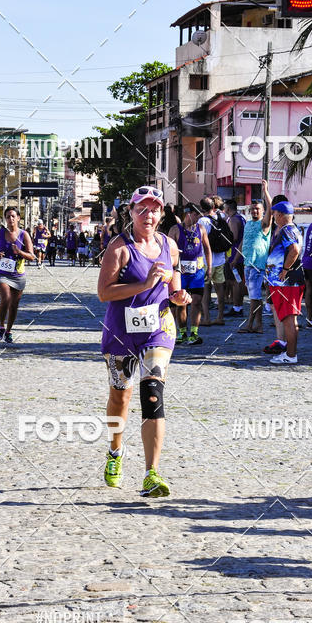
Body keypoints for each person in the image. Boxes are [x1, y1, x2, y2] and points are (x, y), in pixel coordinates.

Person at [98, 185, 191, 497]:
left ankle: (152, 473)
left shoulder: (170, 245)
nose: (148, 215)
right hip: (121, 333)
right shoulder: (119, 248)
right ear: (132, 213)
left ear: (161, 214)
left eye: (154, 209)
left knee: (152, 391)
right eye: (142, 209)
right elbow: (104, 293)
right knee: (120, 397)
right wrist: (143, 284)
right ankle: (115, 452)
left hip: (158, 329)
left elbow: (174, 281)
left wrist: (179, 296)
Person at [265, 201, 305, 365]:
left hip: (286, 283)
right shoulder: (293, 228)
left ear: (280, 215)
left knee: (289, 319)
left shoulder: (287, 230)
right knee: (290, 319)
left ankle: (290, 354)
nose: (273, 216)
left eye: (274, 214)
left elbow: (294, 250)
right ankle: (290, 353)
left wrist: (285, 269)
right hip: (285, 282)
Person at [168, 204, 212, 345]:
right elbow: (167, 252)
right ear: (188, 214)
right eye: (196, 215)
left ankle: (194, 333)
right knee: (182, 303)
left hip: (197, 272)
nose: (198, 218)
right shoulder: (175, 230)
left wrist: (209, 268)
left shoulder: (201, 229)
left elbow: (207, 249)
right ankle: (181, 333)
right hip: (180, 272)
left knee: (197, 302)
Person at [0, 207, 35, 344]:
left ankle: (9, 331)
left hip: (18, 275)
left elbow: (32, 256)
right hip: (1, 272)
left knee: (14, 305)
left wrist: (19, 253)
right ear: (5, 219)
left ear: (18, 218)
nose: (10, 219)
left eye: (13, 216)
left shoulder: (24, 235)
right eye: (8, 216)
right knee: (6, 298)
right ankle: (1, 326)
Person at [237, 180, 273, 334]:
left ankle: (250, 324)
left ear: (262, 211)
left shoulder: (264, 224)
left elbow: (271, 210)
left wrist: (265, 191)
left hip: (258, 265)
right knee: (255, 297)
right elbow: (244, 241)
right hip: (248, 263)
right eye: (252, 209)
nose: (254, 212)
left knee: (254, 297)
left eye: (257, 209)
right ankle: (258, 325)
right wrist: (235, 259)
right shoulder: (248, 223)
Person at [199, 196, 231, 326]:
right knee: (220, 289)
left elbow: (200, 241)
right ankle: (220, 316)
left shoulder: (202, 221)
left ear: (202, 208)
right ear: (213, 207)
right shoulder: (221, 218)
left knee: (206, 290)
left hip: (206, 261)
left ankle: (206, 318)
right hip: (220, 259)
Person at [224, 199, 246, 317]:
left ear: (228, 209)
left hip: (235, 254)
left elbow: (234, 237)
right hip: (240, 254)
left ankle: (237, 307)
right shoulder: (241, 217)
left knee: (235, 282)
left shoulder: (233, 219)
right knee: (238, 281)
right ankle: (238, 306)